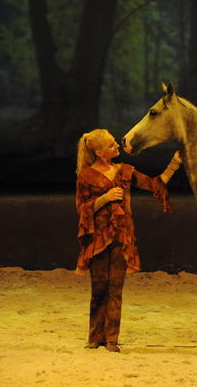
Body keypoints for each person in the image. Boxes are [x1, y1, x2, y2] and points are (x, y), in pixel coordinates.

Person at [75, 128, 182, 352]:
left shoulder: (125, 171)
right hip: (98, 238)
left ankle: (112, 339)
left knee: (116, 288)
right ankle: (95, 337)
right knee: (98, 288)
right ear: (100, 152)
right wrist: (104, 198)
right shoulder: (86, 176)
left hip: (121, 237)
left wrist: (174, 164)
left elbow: (155, 184)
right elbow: (81, 209)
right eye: (112, 145)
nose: (117, 147)